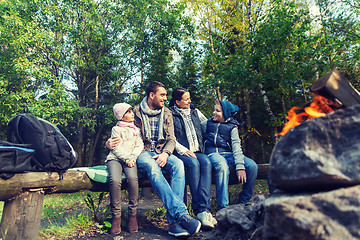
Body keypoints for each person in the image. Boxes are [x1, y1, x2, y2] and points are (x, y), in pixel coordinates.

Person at [106, 81, 201, 238]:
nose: (165, 98)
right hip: (142, 152)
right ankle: (181, 215)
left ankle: (174, 223)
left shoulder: (167, 113)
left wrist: (165, 154)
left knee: (179, 165)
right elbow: (120, 130)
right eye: (162, 95)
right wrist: (108, 143)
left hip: (162, 152)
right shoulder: (135, 112)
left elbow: (171, 139)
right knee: (153, 170)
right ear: (152, 95)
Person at [169, 87, 217, 229]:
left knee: (206, 162)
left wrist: (228, 123)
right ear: (177, 102)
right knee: (194, 164)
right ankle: (199, 209)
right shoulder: (170, 114)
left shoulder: (195, 112)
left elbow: (208, 124)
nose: (190, 101)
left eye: (189, 98)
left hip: (198, 150)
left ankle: (204, 210)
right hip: (182, 152)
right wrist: (183, 150)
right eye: (186, 99)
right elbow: (169, 136)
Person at [203, 100, 258, 210]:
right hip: (213, 153)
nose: (214, 112)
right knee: (222, 166)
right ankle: (223, 207)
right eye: (214, 110)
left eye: (217, 111)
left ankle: (244, 203)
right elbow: (196, 117)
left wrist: (240, 166)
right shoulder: (207, 123)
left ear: (226, 114)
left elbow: (237, 147)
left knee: (252, 166)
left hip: (228, 154)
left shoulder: (232, 127)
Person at [106, 103, 143, 234]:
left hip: (131, 160)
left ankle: (132, 215)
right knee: (115, 181)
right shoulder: (116, 129)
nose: (132, 114)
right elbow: (116, 147)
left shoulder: (135, 129)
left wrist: (133, 157)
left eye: (132, 111)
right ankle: (116, 217)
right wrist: (127, 158)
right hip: (116, 159)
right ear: (121, 116)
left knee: (133, 178)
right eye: (128, 112)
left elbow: (139, 145)